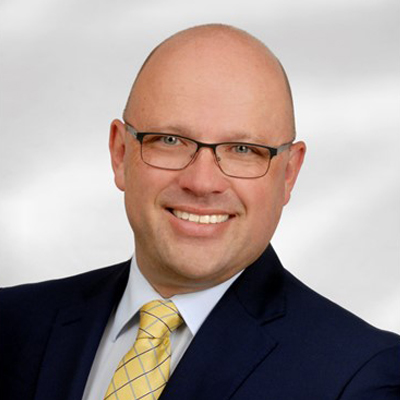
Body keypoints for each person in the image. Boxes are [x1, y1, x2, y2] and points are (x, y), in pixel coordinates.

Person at [0, 24, 399, 400]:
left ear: (289, 174)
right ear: (120, 154)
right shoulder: (11, 323)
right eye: (170, 140)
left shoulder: (360, 376)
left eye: (243, 149)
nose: (202, 182)